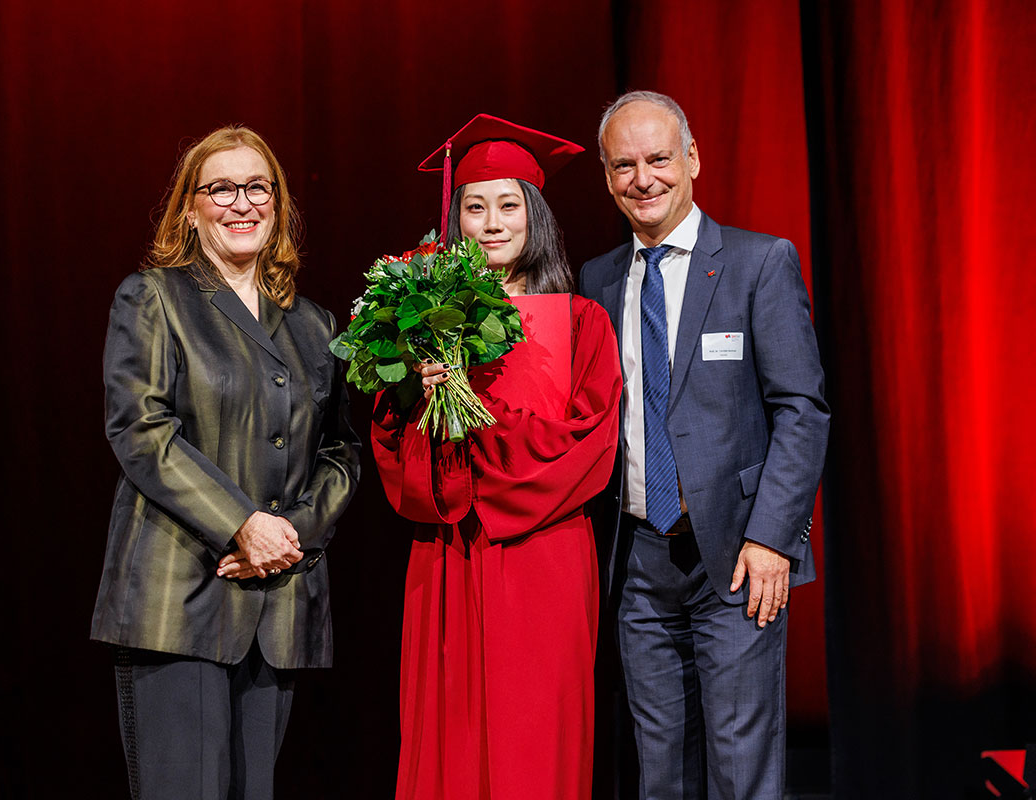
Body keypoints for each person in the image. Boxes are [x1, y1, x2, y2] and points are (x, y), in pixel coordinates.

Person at [90, 125, 360, 800]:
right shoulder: (153, 297)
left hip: (276, 602)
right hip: (180, 597)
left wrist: (290, 533)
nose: (242, 203)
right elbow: (142, 431)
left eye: (257, 187)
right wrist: (244, 523)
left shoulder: (315, 324)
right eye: (221, 189)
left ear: (279, 202)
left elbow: (341, 451)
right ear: (190, 207)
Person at [579, 90, 830, 799]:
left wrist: (776, 538)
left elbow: (802, 411)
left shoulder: (757, 263)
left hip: (738, 558)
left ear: (691, 158)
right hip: (638, 562)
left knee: (740, 767)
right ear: (606, 178)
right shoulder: (597, 281)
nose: (643, 178)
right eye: (624, 165)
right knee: (661, 772)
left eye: (658, 158)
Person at [371, 115, 623, 800]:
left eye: (508, 205)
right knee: (449, 729)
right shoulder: (421, 324)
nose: (490, 223)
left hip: (545, 552)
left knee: (533, 736)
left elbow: (589, 446)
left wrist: (479, 434)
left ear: (534, 215)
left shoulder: (580, 322)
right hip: (451, 549)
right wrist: (419, 405)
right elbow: (394, 451)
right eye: (474, 207)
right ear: (453, 222)